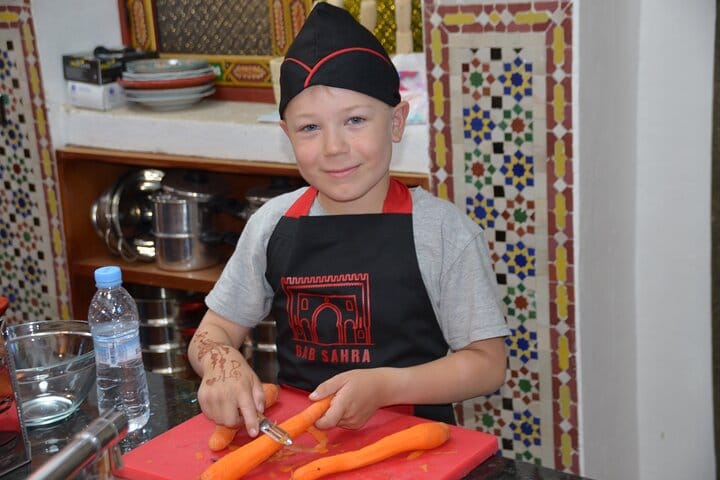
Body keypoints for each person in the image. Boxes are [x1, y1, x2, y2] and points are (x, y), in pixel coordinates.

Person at [188, 2, 509, 440]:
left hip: (414, 449)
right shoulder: (271, 225)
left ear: (396, 122)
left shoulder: (442, 232)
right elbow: (213, 331)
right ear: (287, 135)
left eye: (355, 120)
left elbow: (488, 364)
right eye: (310, 128)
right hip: (300, 447)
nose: (334, 147)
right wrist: (221, 364)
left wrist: (387, 386)